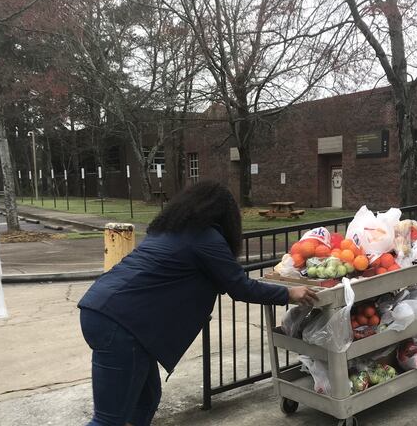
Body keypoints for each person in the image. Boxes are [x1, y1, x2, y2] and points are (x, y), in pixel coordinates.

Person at [77, 181, 317, 426]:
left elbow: (180, 282)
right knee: (108, 420)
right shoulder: (205, 237)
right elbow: (240, 287)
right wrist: (289, 294)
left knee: (146, 400)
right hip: (120, 324)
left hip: (108, 312)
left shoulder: (169, 230)